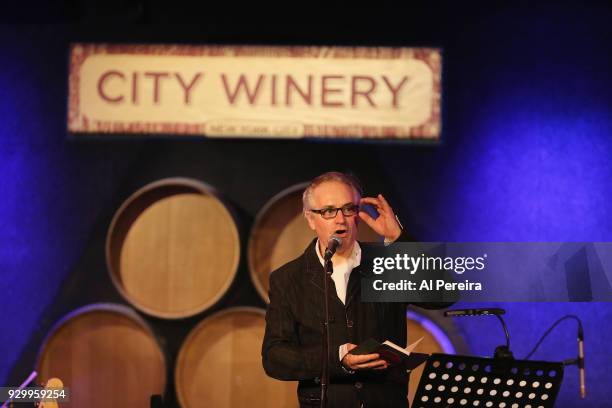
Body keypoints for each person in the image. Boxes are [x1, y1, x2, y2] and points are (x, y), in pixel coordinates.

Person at [262, 171, 446, 407]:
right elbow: (275, 358)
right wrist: (338, 359)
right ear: (310, 218)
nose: (340, 219)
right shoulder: (288, 279)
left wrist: (398, 238)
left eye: (348, 208)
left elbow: (441, 295)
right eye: (329, 211)